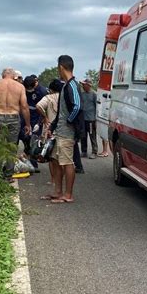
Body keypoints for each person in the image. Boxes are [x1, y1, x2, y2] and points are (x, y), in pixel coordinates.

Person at [48, 55, 83, 203]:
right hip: (59, 131)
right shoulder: (65, 85)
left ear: (61, 67)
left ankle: (68, 195)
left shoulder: (73, 85)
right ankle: (58, 191)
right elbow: (62, 110)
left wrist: (69, 121)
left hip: (67, 132)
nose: (58, 71)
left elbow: (77, 106)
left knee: (67, 162)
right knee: (55, 160)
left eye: (58, 68)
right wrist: (53, 126)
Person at [0, 67, 30, 179]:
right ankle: (8, 174)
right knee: (12, 146)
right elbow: (24, 106)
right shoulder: (20, 86)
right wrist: (28, 124)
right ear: (14, 76)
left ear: (2, 75)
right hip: (14, 117)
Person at [36, 79, 63, 186]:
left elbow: (38, 106)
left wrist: (45, 117)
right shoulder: (64, 98)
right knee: (62, 157)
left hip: (50, 129)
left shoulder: (48, 97)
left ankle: (53, 180)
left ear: (51, 89)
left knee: (51, 157)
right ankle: (61, 179)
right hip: (62, 129)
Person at [80, 78, 98, 159]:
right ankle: (84, 151)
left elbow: (97, 107)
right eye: (83, 85)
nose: (83, 86)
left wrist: (96, 120)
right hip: (83, 119)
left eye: (84, 84)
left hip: (91, 120)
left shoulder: (94, 94)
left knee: (92, 136)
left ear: (88, 85)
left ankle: (94, 151)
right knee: (83, 136)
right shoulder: (82, 94)